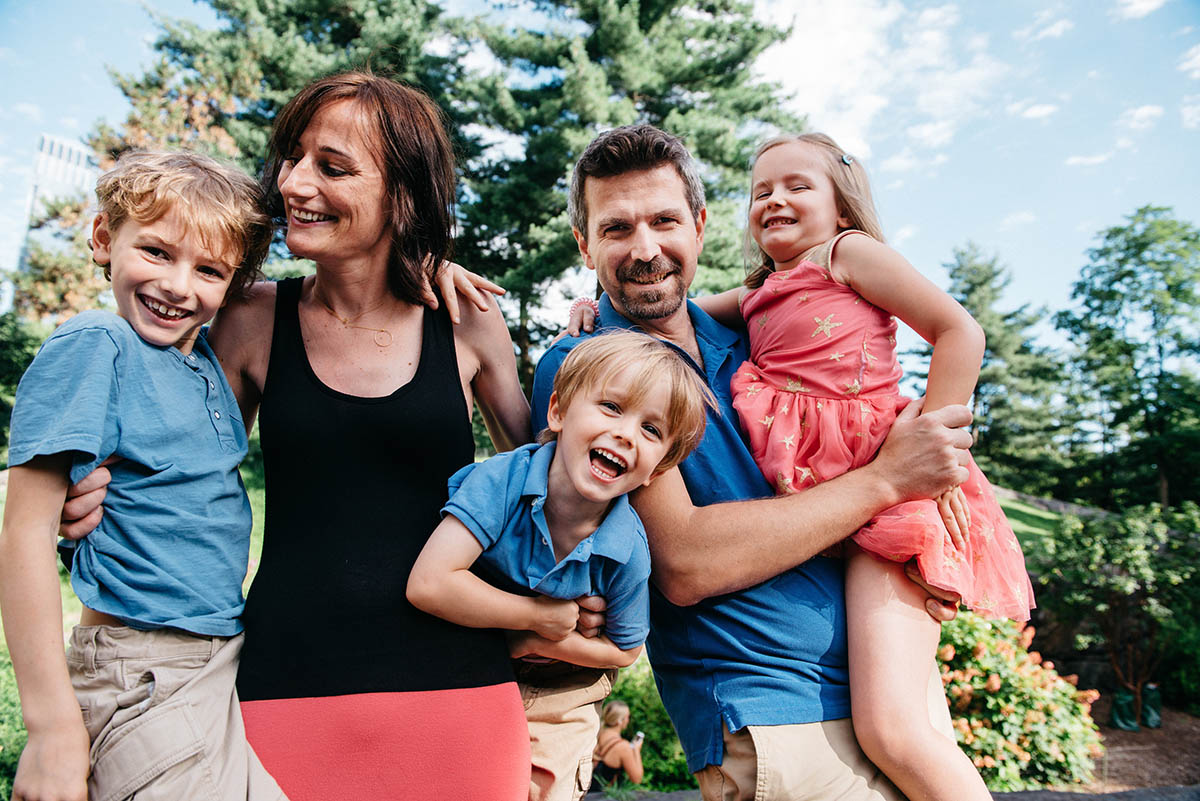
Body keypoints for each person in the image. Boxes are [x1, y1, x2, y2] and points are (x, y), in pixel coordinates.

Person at [58, 71, 536, 801]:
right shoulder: (250, 316)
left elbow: (548, 485)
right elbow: (173, 469)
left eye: (333, 167)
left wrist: (591, 342)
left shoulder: (465, 317)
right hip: (282, 692)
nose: (293, 181)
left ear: (403, 198)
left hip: (462, 694)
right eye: (294, 156)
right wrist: (87, 494)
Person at [534, 124, 974, 801]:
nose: (646, 249)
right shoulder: (587, 363)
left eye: (664, 220)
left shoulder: (753, 332)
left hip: (887, 685)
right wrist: (888, 479)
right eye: (617, 229)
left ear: (702, 225)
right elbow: (684, 563)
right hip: (773, 715)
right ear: (585, 244)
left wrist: (927, 471)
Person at [695, 132, 1034, 801]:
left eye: (797, 185)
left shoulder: (846, 254)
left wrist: (939, 451)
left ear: (843, 207)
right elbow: (669, 311)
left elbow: (960, 330)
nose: (775, 199)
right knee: (889, 720)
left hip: (894, 497)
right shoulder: (760, 289)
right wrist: (592, 309)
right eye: (762, 190)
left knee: (893, 729)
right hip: (839, 510)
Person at [0, 151, 284, 801]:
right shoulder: (98, 343)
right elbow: (23, 533)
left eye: (208, 269)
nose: (180, 285)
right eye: (157, 252)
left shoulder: (205, 364)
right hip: (141, 666)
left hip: (214, 662)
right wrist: (50, 727)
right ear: (104, 238)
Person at [409, 331, 713, 801]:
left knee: (544, 785)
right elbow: (429, 584)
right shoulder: (504, 480)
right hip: (471, 662)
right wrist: (535, 618)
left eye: (651, 430)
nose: (626, 433)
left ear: (656, 469)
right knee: (448, 775)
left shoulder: (628, 548)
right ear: (558, 412)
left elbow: (624, 651)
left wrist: (544, 641)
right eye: (611, 407)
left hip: (565, 691)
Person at [591, 700, 645, 789]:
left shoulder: (597, 733)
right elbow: (637, 778)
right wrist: (636, 750)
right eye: (627, 717)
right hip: (600, 796)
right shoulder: (623, 747)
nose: (628, 720)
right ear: (620, 721)